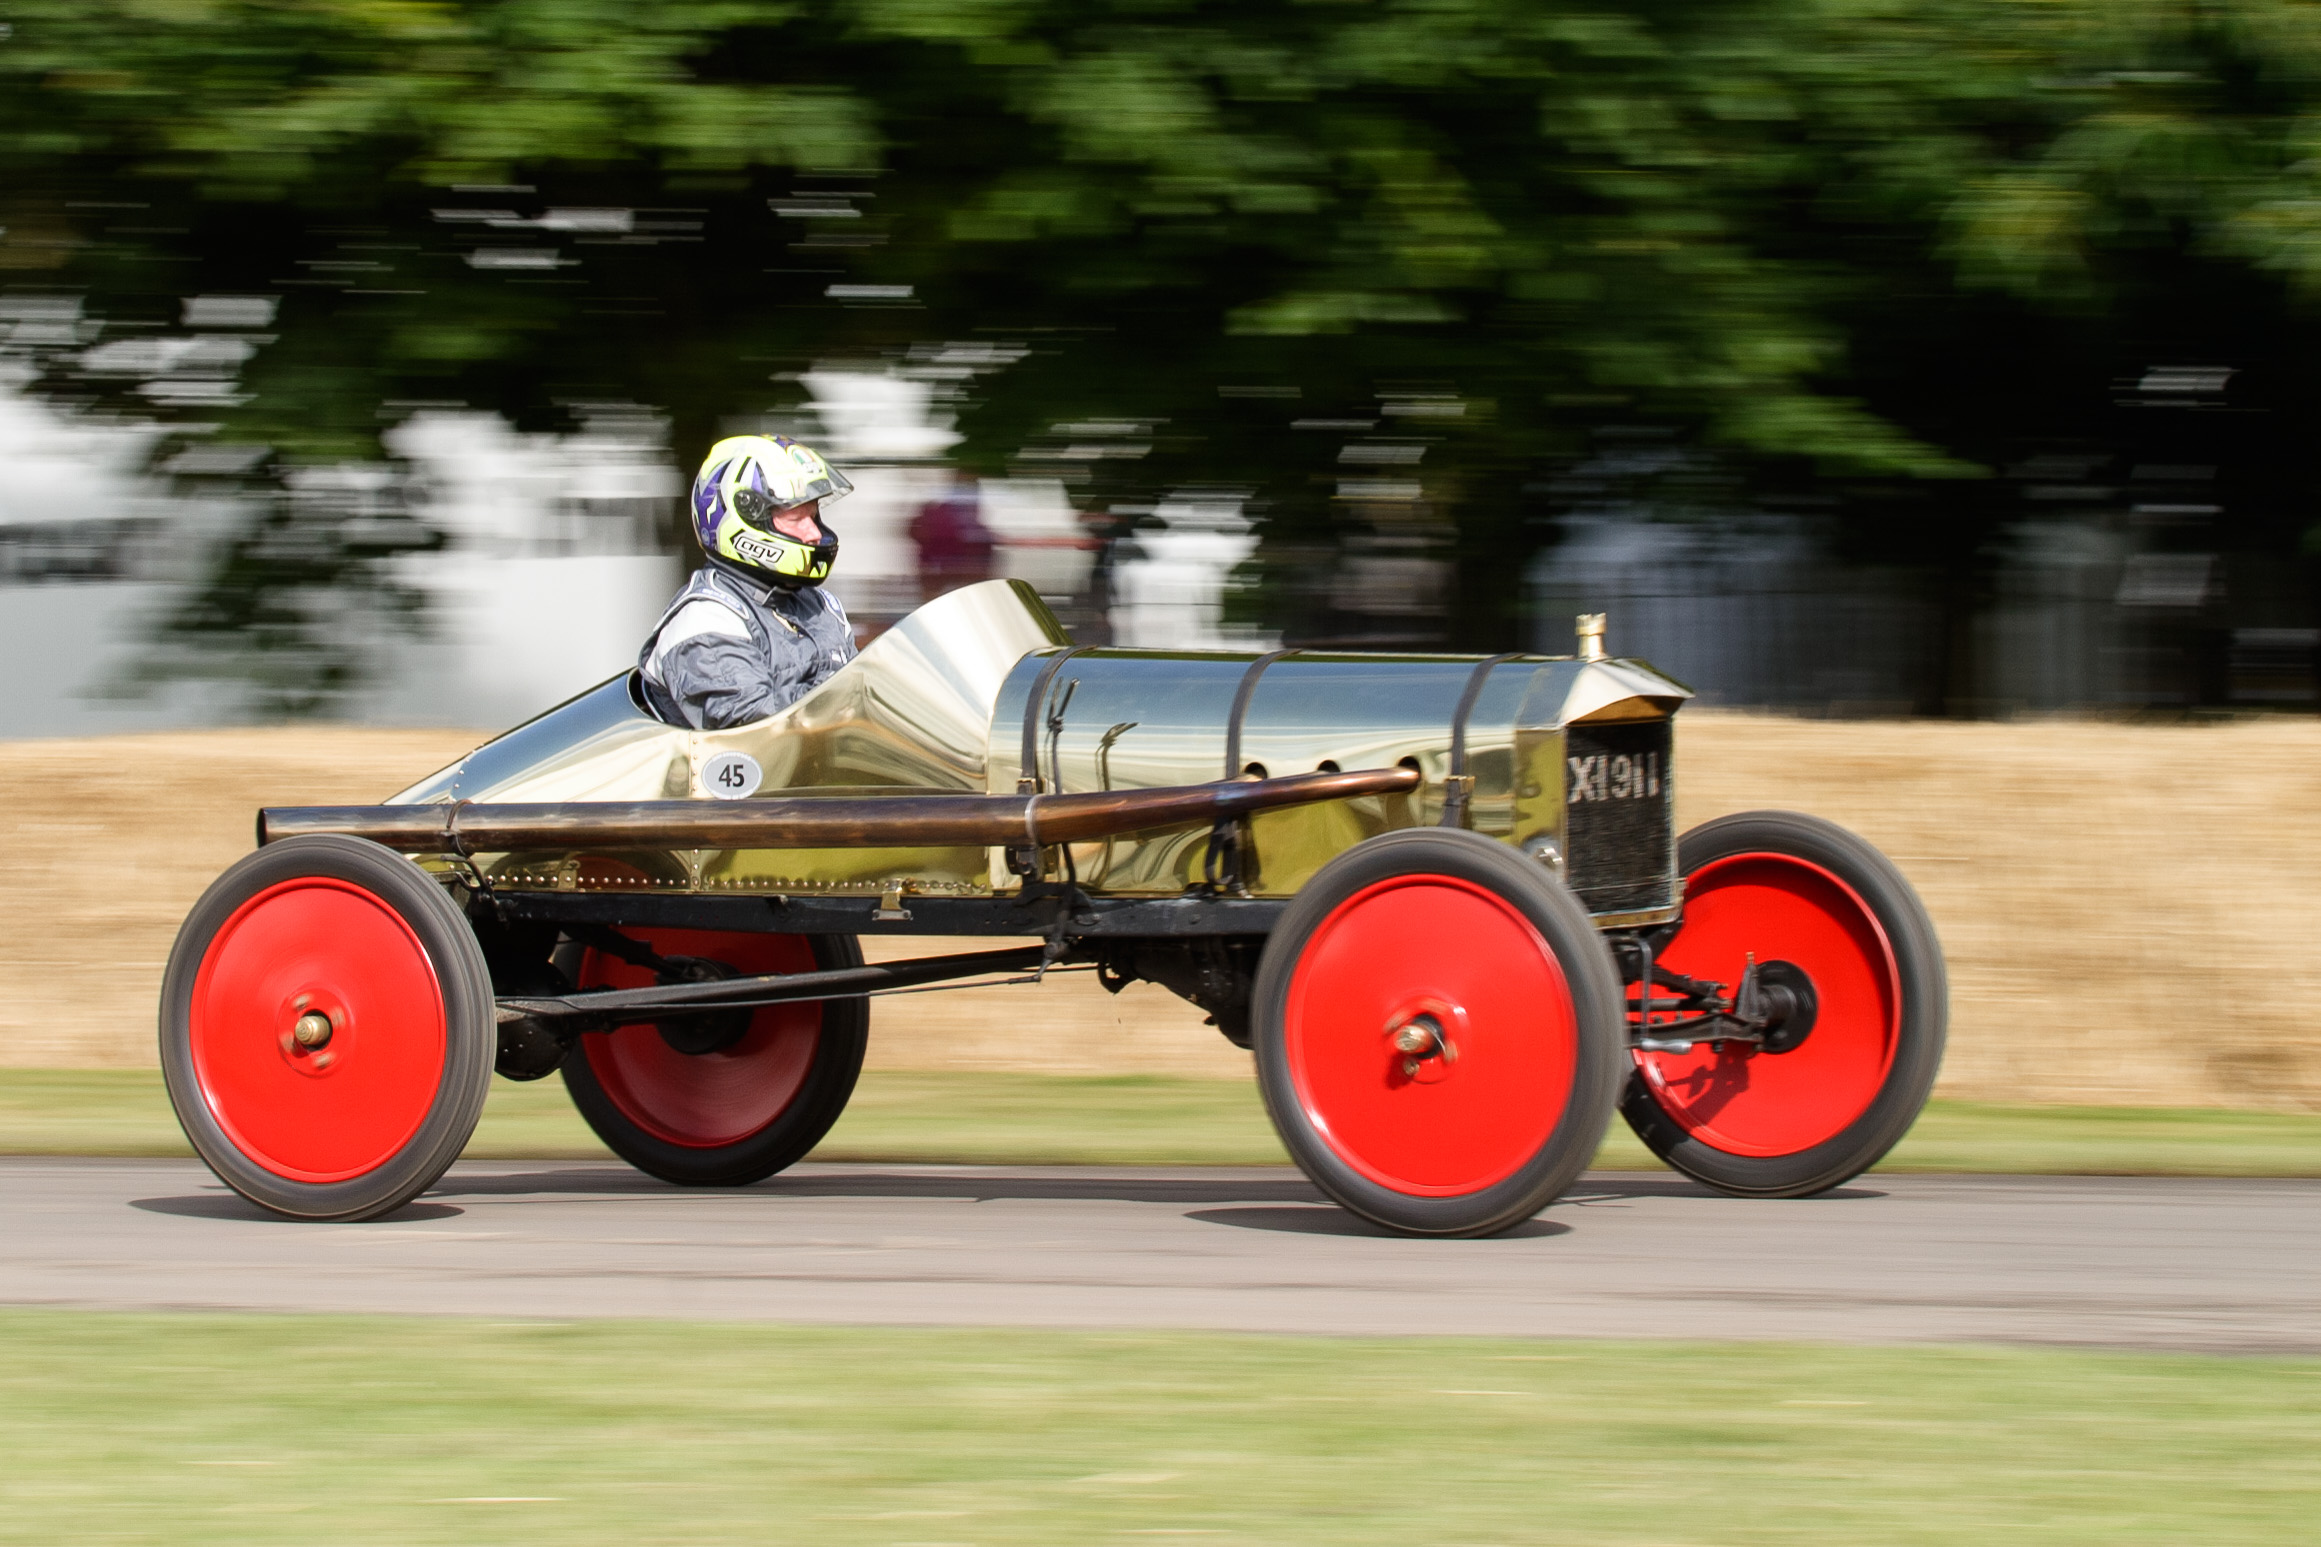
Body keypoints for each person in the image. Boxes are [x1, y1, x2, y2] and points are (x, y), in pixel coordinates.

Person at [638, 434, 858, 730]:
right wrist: (848, 702)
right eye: (796, 519)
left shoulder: (823, 607)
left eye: (813, 516)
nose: (814, 534)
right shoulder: (706, 619)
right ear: (745, 519)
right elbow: (760, 729)